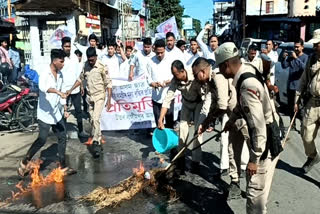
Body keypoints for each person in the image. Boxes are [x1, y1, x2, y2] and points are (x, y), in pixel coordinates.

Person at [217, 42, 280, 214]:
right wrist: (232, 119)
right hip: (268, 132)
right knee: (259, 193)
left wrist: (254, 159)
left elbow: (258, 125)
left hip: (264, 142)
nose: (220, 73)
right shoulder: (247, 69)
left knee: (254, 195)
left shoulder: (246, 85)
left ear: (226, 65)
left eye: (220, 68)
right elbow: (244, 107)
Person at [193, 57, 249, 198]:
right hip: (233, 118)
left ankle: (252, 187)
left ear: (203, 70)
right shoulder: (210, 81)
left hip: (245, 116)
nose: (196, 78)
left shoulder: (218, 76)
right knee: (232, 149)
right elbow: (213, 103)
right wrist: (204, 123)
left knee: (252, 152)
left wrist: (209, 121)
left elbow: (222, 105)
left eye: (196, 74)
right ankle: (235, 182)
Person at [17, 49, 76, 177]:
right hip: (45, 113)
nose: (63, 64)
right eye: (61, 61)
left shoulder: (60, 75)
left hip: (57, 112)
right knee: (42, 139)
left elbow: (63, 91)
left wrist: (64, 108)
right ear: (54, 61)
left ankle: (62, 166)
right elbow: (43, 87)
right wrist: (57, 91)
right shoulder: (45, 73)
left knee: (62, 136)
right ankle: (24, 162)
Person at [158, 60, 205, 175]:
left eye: (176, 74)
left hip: (199, 103)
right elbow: (167, 99)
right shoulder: (175, 81)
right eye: (173, 75)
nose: (174, 77)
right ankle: (181, 160)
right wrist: (160, 118)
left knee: (198, 133)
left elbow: (205, 95)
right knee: (183, 131)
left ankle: (195, 162)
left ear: (182, 71)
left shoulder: (194, 75)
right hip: (186, 104)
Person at [67, 47, 112, 158]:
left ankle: (96, 143)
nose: (91, 62)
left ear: (96, 57)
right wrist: (71, 90)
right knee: (92, 120)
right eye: (89, 60)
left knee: (96, 118)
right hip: (89, 97)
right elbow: (80, 79)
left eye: (92, 60)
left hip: (100, 96)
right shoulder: (86, 65)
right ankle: (99, 136)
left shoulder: (102, 67)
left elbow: (108, 84)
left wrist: (109, 100)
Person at [294, 29, 320, 173]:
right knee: (305, 135)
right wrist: (296, 100)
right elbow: (303, 80)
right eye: (314, 44)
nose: (315, 47)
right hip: (312, 103)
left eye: (318, 44)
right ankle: (313, 155)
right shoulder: (311, 59)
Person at [60, 37, 87, 138]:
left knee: (78, 110)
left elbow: (78, 74)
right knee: (64, 111)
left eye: (69, 46)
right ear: (62, 46)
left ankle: (81, 131)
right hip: (63, 90)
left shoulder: (75, 58)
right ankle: (63, 133)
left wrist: (81, 86)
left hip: (75, 89)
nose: (68, 48)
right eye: (66, 46)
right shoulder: (60, 58)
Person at [281, 38, 308, 131]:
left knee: (300, 108)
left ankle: (303, 126)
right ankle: (292, 125)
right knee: (290, 106)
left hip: (299, 87)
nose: (296, 49)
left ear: (302, 47)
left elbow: (304, 68)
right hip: (290, 85)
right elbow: (284, 66)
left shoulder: (305, 57)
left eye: (297, 47)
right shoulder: (291, 57)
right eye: (295, 47)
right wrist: (284, 58)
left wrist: (296, 58)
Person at [147, 39, 174, 129]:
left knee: (169, 120)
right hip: (156, 96)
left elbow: (175, 75)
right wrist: (153, 84)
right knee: (159, 121)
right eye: (157, 53)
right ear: (154, 50)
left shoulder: (171, 59)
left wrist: (168, 81)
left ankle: (171, 141)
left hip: (168, 95)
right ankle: (161, 141)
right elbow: (148, 77)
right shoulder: (150, 61)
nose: (159, 55)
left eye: (161, 52)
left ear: (164, 49)